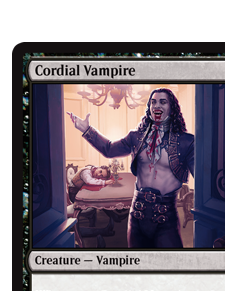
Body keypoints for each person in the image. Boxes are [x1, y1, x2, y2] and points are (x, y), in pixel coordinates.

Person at [68, 88, 194, 247]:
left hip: (166, 216)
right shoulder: (136, 136)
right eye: (153, 102)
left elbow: (202, 180)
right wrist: (87, 130)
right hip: (137, 215)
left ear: (172, 108)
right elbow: (109, 149)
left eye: (163, 102)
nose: (157, 105)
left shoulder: (187, 142)